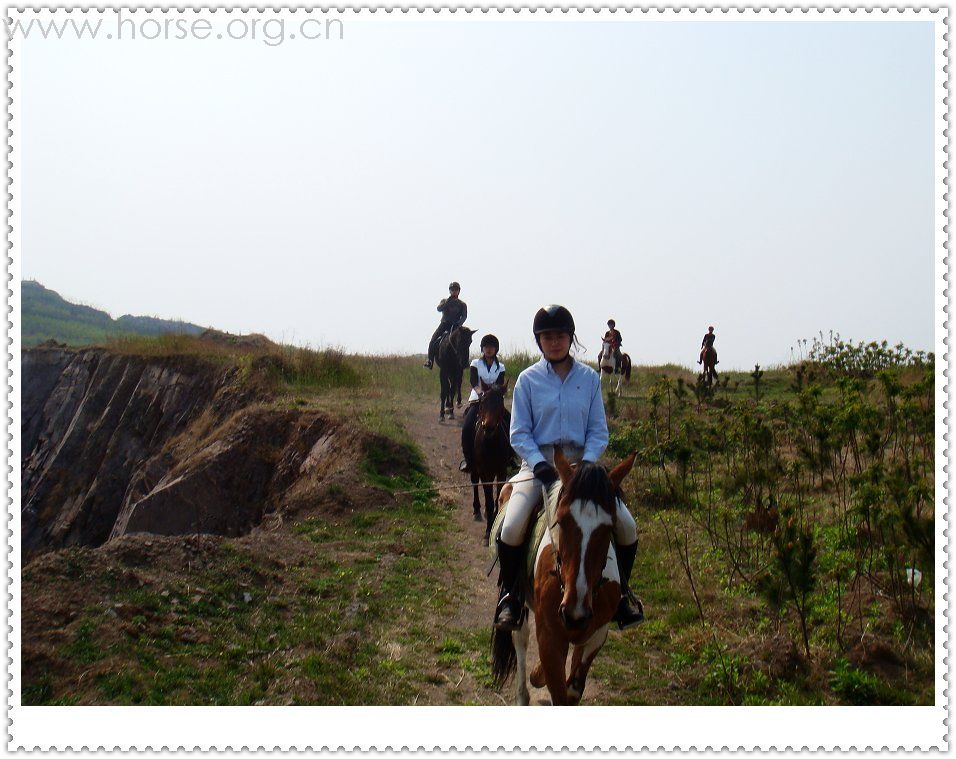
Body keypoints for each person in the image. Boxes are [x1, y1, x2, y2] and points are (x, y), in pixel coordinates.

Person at [493, 304, 644, 632]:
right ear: (539, 341)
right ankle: (510, 596)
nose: (555, 342)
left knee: (627, 526)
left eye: (560, 335)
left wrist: (587, 466)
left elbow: (598, 430)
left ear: (570, 338)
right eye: (547, 337)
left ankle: (622, 596)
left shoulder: (589, 379)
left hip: (583, 469)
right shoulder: (528, 381)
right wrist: (540, 465)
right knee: (512, 525)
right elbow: (519, 432)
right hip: (539, 469)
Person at [460, 334, 509, 473]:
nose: (488, 349)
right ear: (482, 348)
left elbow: (499, 385)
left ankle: (510, 457)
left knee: (510, 423)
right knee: (467, 427)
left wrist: (492, 395)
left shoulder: (501, 367)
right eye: (486, 347)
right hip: (478, 401)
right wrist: (482, 393)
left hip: (494, 403)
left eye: (491, 347)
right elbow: (474, 382)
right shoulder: (475, 363)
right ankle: (468, 460)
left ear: (496, 349)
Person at [424, 282, 468, 369]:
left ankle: (465, 361)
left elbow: (464, 316)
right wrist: (448, 301)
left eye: (456, 290)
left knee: (465, 340)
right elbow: (439, 309)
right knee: (433, 339)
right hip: (444, 324)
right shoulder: (444, 301)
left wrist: (459, 323)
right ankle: (430, 360)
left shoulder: (462, 304)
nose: (454, 291)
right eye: (452, 290)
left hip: (456, 326)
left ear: (459, 291)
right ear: (450, 291)